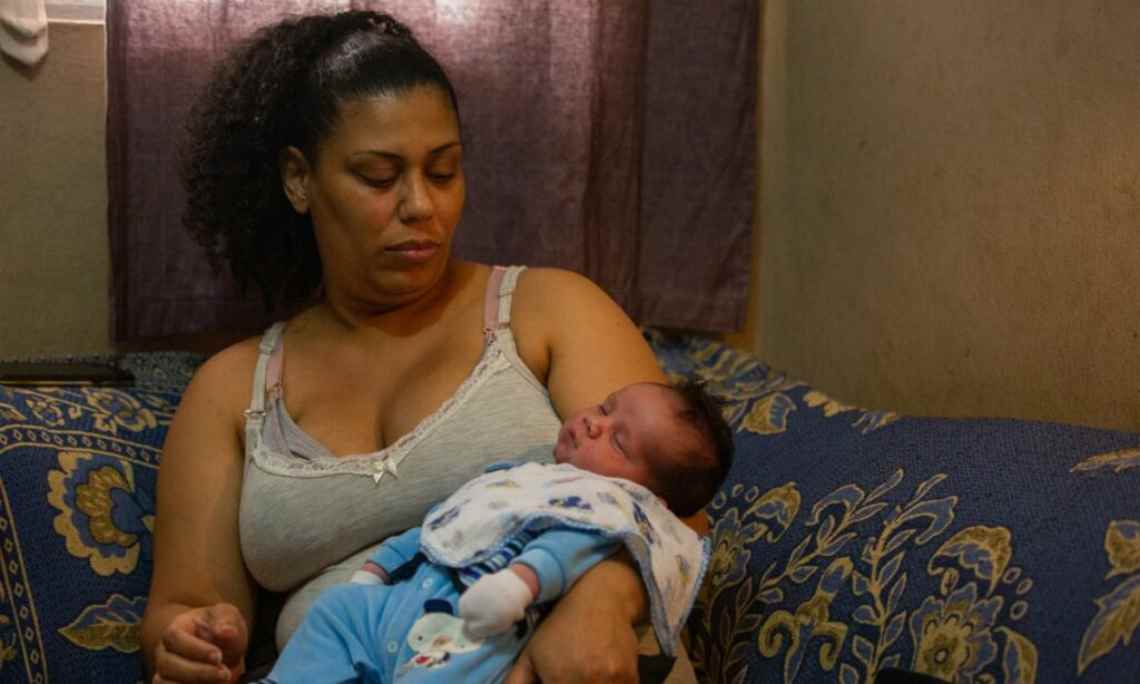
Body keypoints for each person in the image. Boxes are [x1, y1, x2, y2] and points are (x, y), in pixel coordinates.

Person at [140, 10, 710, 684]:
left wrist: (599, 600)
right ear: (299, 179)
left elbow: (678, 514)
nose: (421, 206)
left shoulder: (549, 310)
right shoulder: (232, 389)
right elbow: (184, 607)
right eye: (379, 178)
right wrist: (191, 642)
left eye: (443, 172)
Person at [255, 380, 734, 683]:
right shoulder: (517, 476)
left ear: (645, 497)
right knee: (337, 610)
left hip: (475, 635)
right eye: (605, 407)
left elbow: (563, 552)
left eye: (619, 441)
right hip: (393, 605)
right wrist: (372, 575)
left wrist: (519, 584)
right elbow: (438, 525)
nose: (594, 423)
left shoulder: (600, 512)